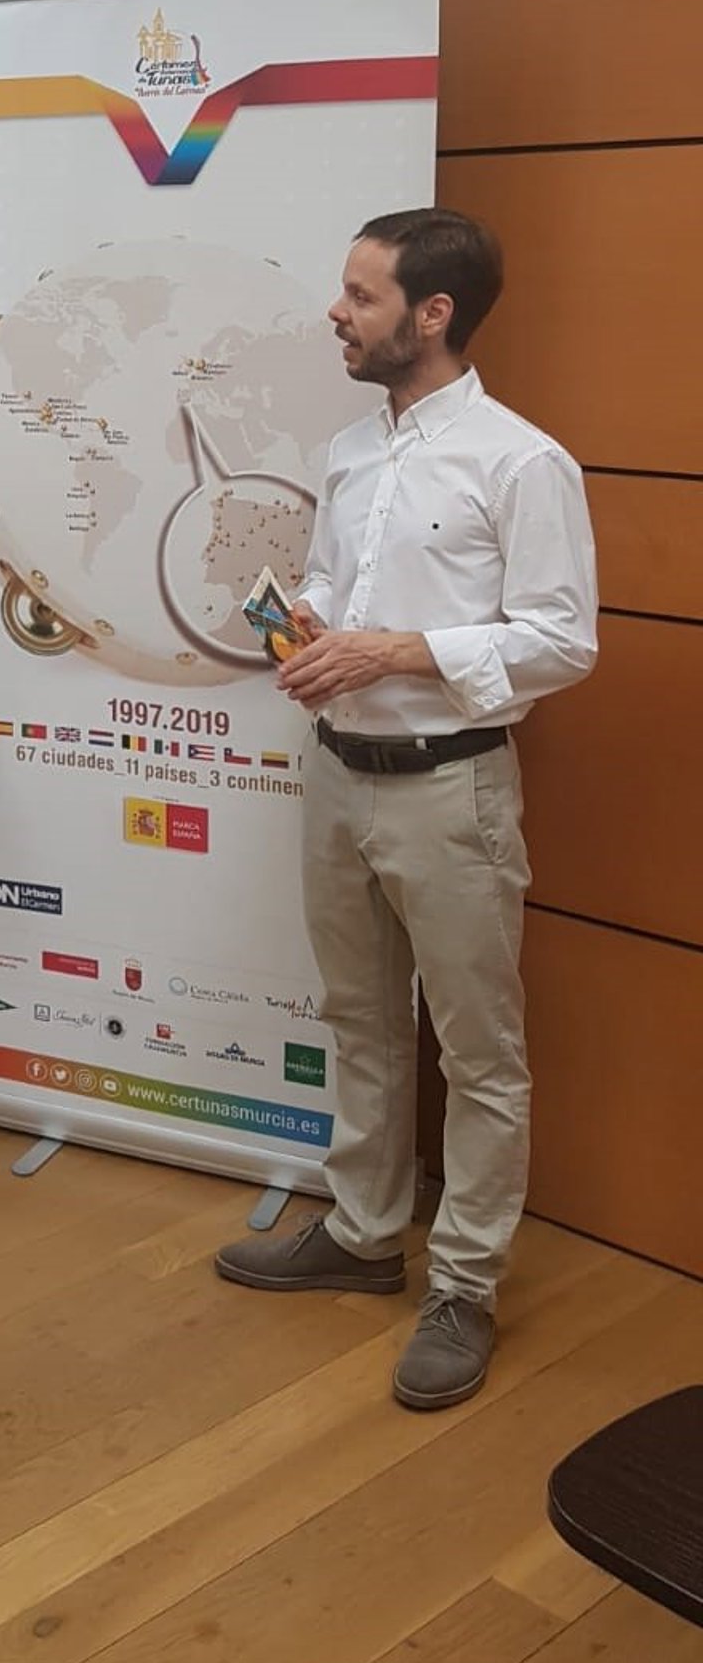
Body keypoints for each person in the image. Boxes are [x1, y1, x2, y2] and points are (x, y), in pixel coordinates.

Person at [215, 207, 597, 1408]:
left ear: (433, 314)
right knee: (361, 1020)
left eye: (361, 295)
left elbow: (563, 639)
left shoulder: (522, 462)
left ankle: (465, 1284)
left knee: (479, 1052)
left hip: (452, 788)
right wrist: (314, 627)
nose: (337, 312)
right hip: (336, 774)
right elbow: (336, 584)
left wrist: (397, 650)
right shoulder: (349, 452)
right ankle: (365, 1232)